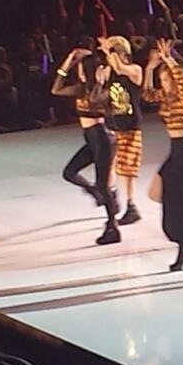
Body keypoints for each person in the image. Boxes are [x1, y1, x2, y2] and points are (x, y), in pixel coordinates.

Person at [143, 39, 183, 271]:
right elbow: (147, 94)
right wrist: (150, 68)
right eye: (163, 80)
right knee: (157, 193)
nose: (165, 83)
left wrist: (169, 59)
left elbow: (179, 77)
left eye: (167, 79)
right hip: (175, 149)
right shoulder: (166, 97)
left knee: (178, 200)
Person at [52, 48, 121, 245]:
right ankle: (95, 191)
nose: (79, 72)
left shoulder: (104, 90)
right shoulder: (80, 88)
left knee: (103, 185)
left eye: (81, 69)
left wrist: (99, 82)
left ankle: (113, 227)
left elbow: (94, 100)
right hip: (91, 139)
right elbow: (56, 89)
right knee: (69, 173)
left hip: (103, 139)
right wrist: (69, 60)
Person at [99, 36, 144, 226]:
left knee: (128, 170)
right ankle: (113, 198)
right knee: (108, 166)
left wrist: (109, 51)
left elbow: (120, 68)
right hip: (113, 125)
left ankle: (132, 205)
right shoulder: (111, 69)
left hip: (131, 126)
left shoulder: (135, 70)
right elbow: (100, 80)